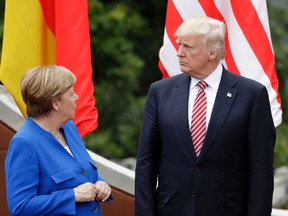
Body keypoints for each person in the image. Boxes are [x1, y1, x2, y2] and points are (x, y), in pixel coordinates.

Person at [135, 16, 275, 216]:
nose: (179, 53)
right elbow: (146, 162)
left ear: (212, 52)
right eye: (179, 45)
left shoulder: (251, 95)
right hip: (171, 210)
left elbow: (261, 171)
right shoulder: (160, 92)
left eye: (188, 47)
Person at [5, 65, 112, 216]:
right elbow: (21, 207)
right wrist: (72, 195)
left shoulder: (68, 128)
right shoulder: (24, 143)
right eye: (71, 93)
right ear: (55, 103)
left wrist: (100, 184)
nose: (77, 98)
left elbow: (81, 174)